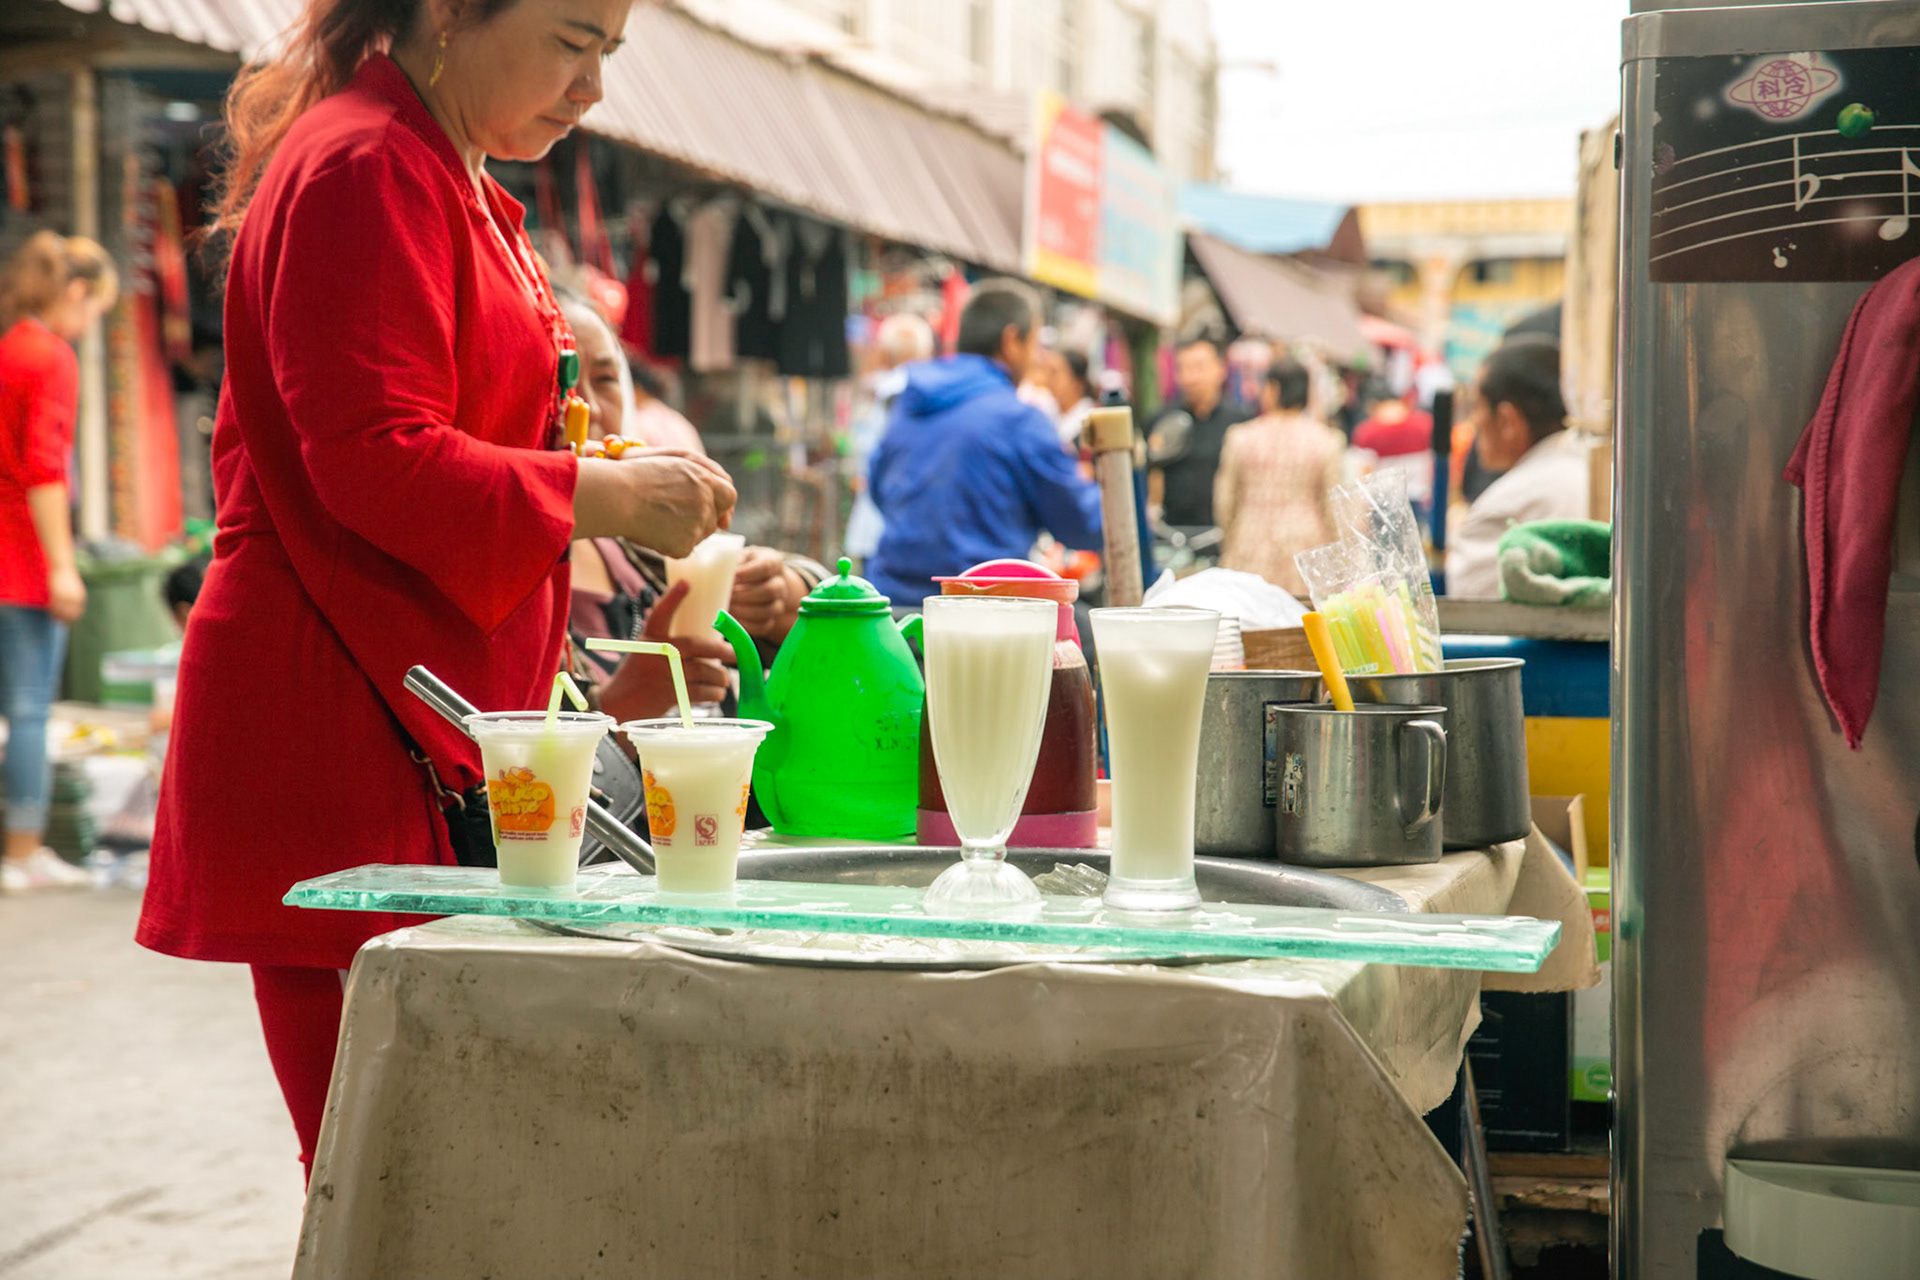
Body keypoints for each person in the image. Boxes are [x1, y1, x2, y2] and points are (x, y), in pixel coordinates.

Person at [136, 0, 737, 1181]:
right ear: (452, 13)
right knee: (391, 1176)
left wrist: (590, 474)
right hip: (340, 715)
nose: (592, 90)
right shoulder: (367, 162)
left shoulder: (442, 167)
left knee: (436, 1171)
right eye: (573, 42)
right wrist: (601, 500)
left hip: (415, 712)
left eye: (609, 53)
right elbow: (371, 452)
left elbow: (443, 425)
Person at [0, 231, 118, 894]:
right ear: (75, 291)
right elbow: (45, 469)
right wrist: (63, 566)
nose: (89, 322)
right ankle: (21, 852)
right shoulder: (48, 357)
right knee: (30, 710)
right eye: (94, 308)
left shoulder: (10, 347)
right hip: (20, 560)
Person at [865, 279, 1103, 606]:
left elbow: (878, 488)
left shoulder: (910, 401)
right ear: (1011, 341)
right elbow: (1080, 523)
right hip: (976, 615)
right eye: (1035, 343)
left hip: (891, 611)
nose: (1038, 359)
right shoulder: (1019, 419)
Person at [1445, 337, 1590, 597]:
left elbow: (1471, 612)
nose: (1473, 420)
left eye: (1476, 406)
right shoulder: (1595, 473)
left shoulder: (1505, 505)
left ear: (1507, 421)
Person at [1213, 358, 1346, 597]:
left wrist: (1231, 537)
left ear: (1273, 389)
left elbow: (1225, 500)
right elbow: (1334, 509)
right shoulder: (1326, 441)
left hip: (1249, 545)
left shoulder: (1240, 437)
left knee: (1251, 622)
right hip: (1307, 550)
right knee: (1300, 623)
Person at [844, 312, 934, 563]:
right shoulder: (897, 392)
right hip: (905, 530)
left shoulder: (887, 391)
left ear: (884, 352)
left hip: (882, 528)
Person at [1148, 337, 1250, 529]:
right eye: (1182, 369)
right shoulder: (1162, 422)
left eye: (1198, 368)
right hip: (1172, 537)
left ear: (1221, 370)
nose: (1189, 378)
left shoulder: (1241, 424)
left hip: (1224, 535)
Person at [1352, 376, 1436, 515]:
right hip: (1420, 501)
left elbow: (1365, 478)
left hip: (1384, 505)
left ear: (1372, 405)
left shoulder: (1366, 433)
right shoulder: (1425, 424)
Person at [1051, 348, 1095, 453]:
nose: (1048, 380)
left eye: (1055, 373)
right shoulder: (1050, 414)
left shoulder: (1090, 419)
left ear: (1077, 382)